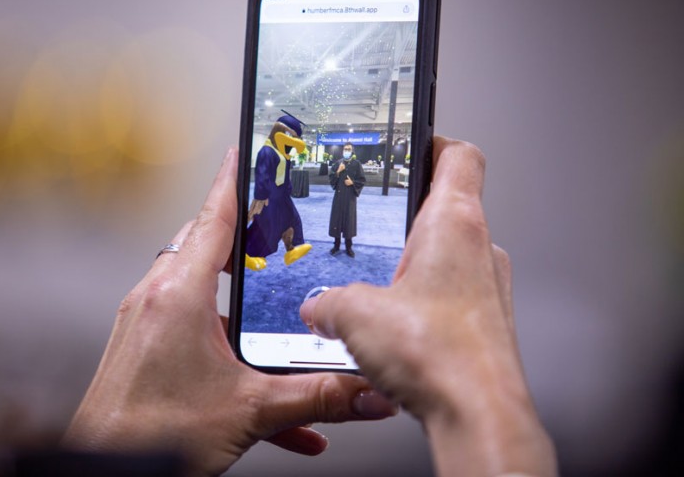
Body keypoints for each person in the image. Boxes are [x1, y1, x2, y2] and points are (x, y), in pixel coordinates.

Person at [61, 137, 557, 477]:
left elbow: (356, 181)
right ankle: (333, 243)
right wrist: (490, 414)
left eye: (344, 151)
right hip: (330, 202)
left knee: (345, 226)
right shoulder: (292, 161)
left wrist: (98, 456)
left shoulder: (354, 166)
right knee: (325, 228)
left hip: (349, 200)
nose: (342, 154)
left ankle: (340, 245)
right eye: (340, 151)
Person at [244, 113, 312, 271]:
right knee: (266, 227)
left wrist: (288, 189)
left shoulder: (282, 153)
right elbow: (262, 174)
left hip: (282, 195)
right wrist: (261, 196)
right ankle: (250, 254)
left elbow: (284, 174)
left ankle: (294, 248)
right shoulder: (267, 151)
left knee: (293, 219)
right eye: (292, 136)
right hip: (269, 197)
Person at [328, 143, 366, 257]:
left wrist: (352, 183)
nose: (347, 151)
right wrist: (338, 171)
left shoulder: (356, 164)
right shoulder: (337, 163)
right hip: (338, 197)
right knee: (337, 220)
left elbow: (362, 180)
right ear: (342, 150)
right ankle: (336, 245)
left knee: (349, 221)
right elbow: (331, 179)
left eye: (349, 149)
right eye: (345, 149)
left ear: (352, 151)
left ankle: (349, 247)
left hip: (350, 198)